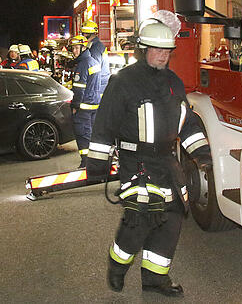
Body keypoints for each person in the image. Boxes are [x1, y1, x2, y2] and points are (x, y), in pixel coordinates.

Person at [85, 18, 211, 297]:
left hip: (167, 162)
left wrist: (202, 152)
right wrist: (97, 162)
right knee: (139, 220)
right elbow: (105, 124)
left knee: (171, 219)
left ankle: (155, 278)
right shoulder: (124, 82)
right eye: (156, 49)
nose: (162, 55)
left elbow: (186, 122)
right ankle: (117, 265)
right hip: (136, 163)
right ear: (143, 49)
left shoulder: (173, 83)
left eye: (167, 50)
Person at [68, 35, 101, 168]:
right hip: (94, 105)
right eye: (73, 48)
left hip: (83, 107)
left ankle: (86, 162)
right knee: (92, 135)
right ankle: (95, 161)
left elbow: (79, 89)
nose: (75, 51)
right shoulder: (93, 61)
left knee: (83, 135)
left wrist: (75, 106)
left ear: (83, 48)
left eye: (77, 48)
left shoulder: (82, 64)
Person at [81, 20, 110, 96]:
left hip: (98, 85)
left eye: (85, 33)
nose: (83, 35)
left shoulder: (96, 47)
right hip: (99, 83)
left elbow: (94, 68)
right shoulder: (94, 45)